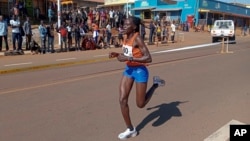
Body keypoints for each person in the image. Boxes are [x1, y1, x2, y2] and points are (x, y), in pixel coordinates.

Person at [109, 16, 165, 140]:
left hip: (140, 71)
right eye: (123, 23)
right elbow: (128, 54)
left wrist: (128, 58)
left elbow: (149, 58)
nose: (124, 26)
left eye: (126, 24)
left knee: (140, 104)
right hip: (129, 69)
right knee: (122, 100)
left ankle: (155, 85)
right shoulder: (125, 36)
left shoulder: (137, 38)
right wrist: (118, 54)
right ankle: (131, 129)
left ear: (134, 27)